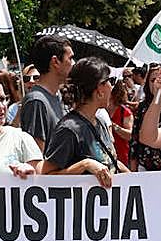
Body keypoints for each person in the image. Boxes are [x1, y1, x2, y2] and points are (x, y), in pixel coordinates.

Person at [40, 58, 127, 188]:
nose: (112, 87)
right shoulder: (69, 129)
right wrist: (84, 165)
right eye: (110, 81)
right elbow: (46, 177)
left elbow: (109, 162)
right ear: (99, 91)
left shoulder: (101, 122)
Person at [20, 35, 73, 155]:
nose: (73, 64)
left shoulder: (58, 95)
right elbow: (36, 159)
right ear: (55, 62)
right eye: (70, 58)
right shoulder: (36, 102)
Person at [106, 80, 134, 167]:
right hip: (105, 157)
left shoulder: (125, 112)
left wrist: (113, 125)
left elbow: (129, 135)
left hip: (121, 157)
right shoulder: (100, 110)